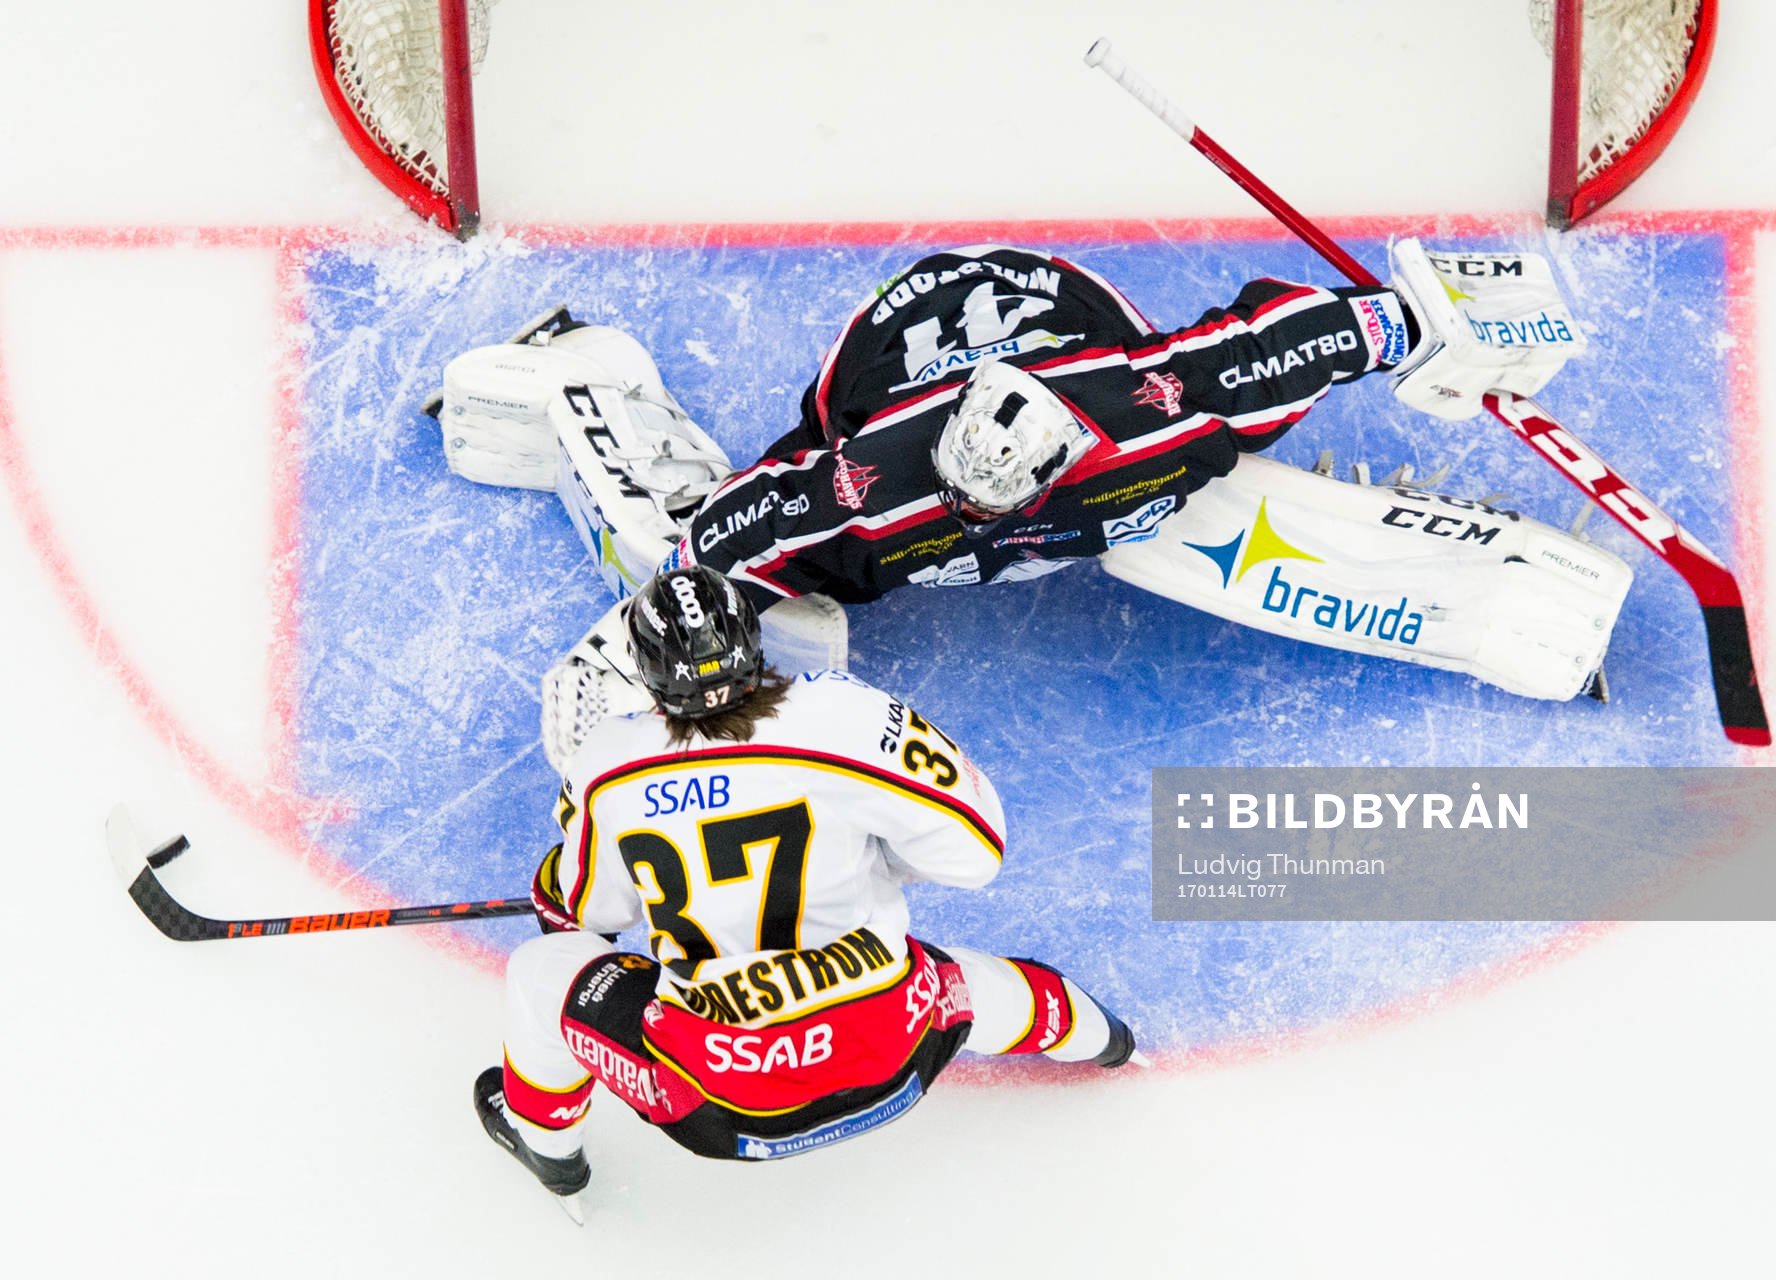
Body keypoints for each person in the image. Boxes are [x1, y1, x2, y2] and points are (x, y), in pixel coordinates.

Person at [437, 239, 1630, 755]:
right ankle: (581, 374)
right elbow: (709, 544)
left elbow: (1302, 335)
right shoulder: (860, 490)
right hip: (892, 363)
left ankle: (1522, 603)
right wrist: (701, 639)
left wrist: (1429, 320)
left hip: (1063, 328)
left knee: (1214, 538)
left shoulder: (1156, 405)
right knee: (679, 555)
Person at [475, 565, 1137, 1212]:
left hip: (720, 1107)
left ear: (649, 670)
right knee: (968, 984)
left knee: (541, 972)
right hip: (896, 1057)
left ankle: (550, 1154)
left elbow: (589, 914)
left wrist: (557, 884)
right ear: (749, 641)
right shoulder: (842, 710)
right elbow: (976, 853)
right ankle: (1107, 1041)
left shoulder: (606, 763)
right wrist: (873, 856)